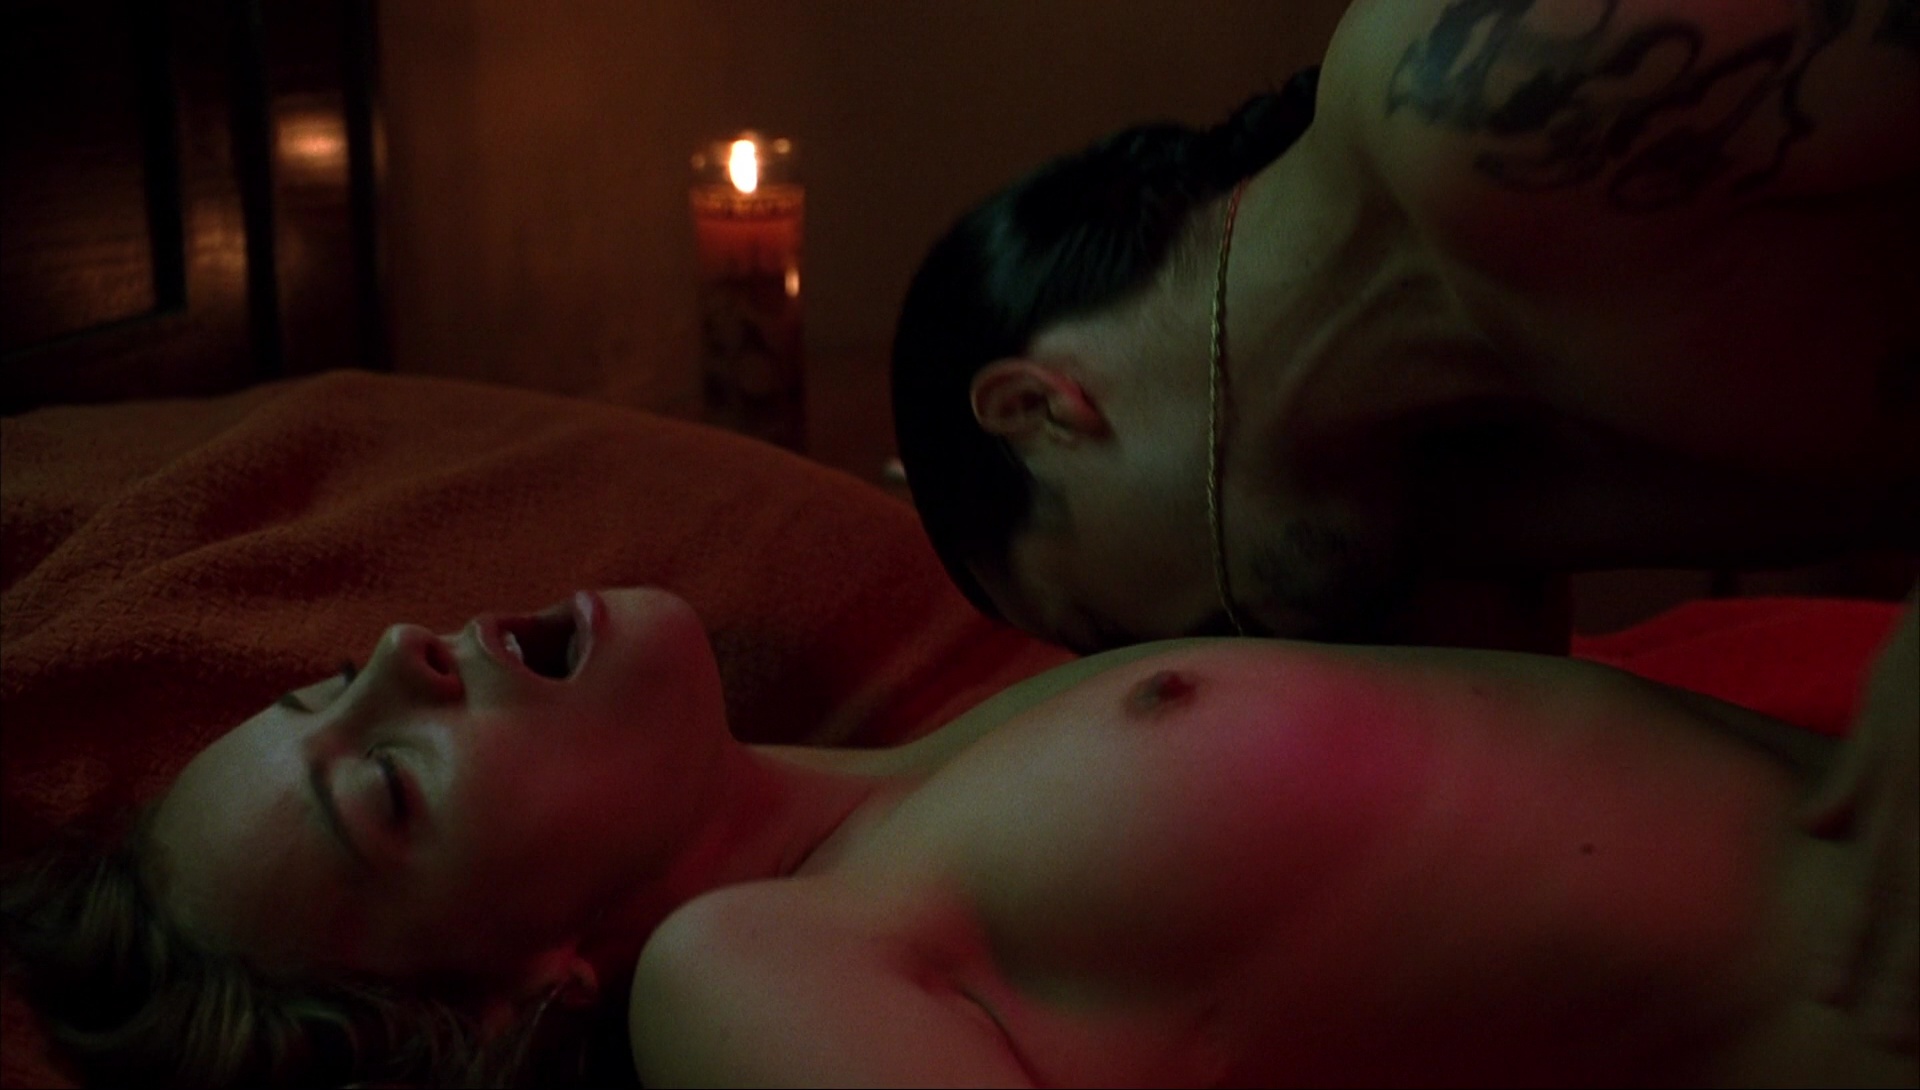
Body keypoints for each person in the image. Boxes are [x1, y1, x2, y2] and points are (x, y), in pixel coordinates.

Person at [889, 0, 1918, 1048]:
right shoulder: (1460, 496)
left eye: (1101, 625)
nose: (1177, 649)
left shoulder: (1470, 92)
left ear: (1040, 409)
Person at [4, 587, 1916, 1087]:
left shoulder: (919, 773)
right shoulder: (734, 974)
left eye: (326, 683)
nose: (396, 660)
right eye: (386, 786)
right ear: (515, 996)